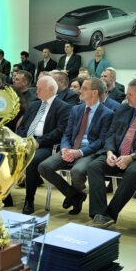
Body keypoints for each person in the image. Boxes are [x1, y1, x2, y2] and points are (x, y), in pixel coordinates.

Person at [84, 77, 136, 228]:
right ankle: (99, 213)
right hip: (116, 153)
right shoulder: (123, 108)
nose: (126, 97)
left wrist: (131, 157)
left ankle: (110, 215)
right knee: (94, 167)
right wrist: (109, 152)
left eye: (130, 94)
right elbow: (111, 133)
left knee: (133, 173)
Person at [32, 78, 104, 215]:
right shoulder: (76, 109)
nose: (80, 91)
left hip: (88, 152)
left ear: (94, 93)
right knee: (44, 167)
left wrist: (80, 152)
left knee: (77, 171)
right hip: (70, 148)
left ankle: (75, 194)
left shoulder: (106, 113)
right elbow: (67, 133)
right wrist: (65, 148)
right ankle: (74, 195)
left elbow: (100, 142)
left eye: (84, 88)